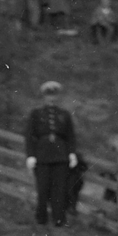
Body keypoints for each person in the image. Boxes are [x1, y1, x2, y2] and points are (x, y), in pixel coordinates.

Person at [23, 81, 78, 228]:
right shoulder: (36, 113)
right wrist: (31, 155)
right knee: (42, 188)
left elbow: (70, 136)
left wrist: (71, 154)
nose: (51, 98)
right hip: (42, 156)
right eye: (48, 95)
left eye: (54, 95)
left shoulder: (64, 114)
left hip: (61, 156)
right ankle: (41, 219)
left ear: (58, 96)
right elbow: (29, 136)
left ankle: (59, 219)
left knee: (59, 189)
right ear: (44, 97)